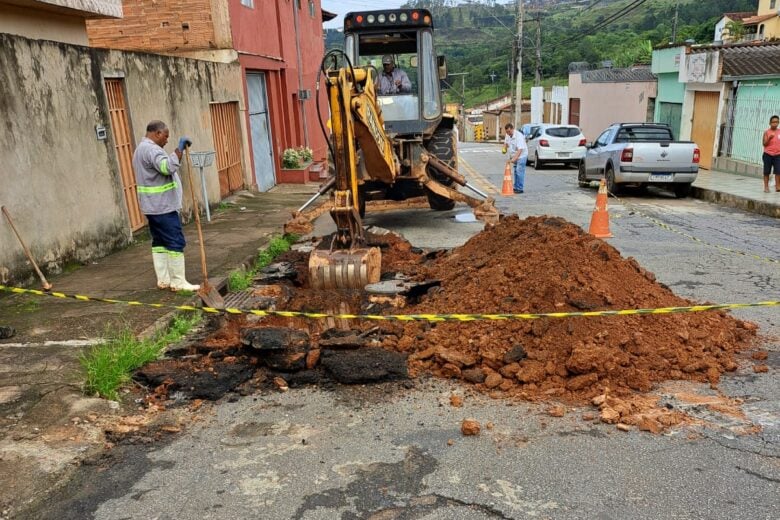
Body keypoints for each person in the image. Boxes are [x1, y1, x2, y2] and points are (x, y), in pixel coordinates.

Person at [132, 120, 199, 292]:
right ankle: (178, 282)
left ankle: (164, 280)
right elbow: (167, 167)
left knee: (160, 242)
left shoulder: (140, 149)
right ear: (157, 133)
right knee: (175, 241)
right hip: (162, 206)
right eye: (166, 136)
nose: (167, 140)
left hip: (152, 207)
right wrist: (180, 149)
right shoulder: (152, 150)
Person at [503, 123, 527, 194]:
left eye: (509, 132)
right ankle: (516, 187)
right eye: (507, 132)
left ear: (512, 129)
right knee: (516, 172)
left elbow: (520, 150)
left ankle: (520, 188)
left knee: (519, 171)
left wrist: (514, 159)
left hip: (521, 155)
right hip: (514, 155)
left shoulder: (519, 136)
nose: (508, 133)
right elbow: (506, 143)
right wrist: (504, 148)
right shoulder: (508, 135)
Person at [762, 115, 780, 193]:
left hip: (778, 155)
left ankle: (777, 186)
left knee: (778, 171)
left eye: (777, 122)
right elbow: (764, 144)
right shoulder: (767, 132)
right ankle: (766, 187)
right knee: (767, 171)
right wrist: (769, 138)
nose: (775, 124)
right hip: (768, 154)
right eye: (773, 122)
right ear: (770, 123)